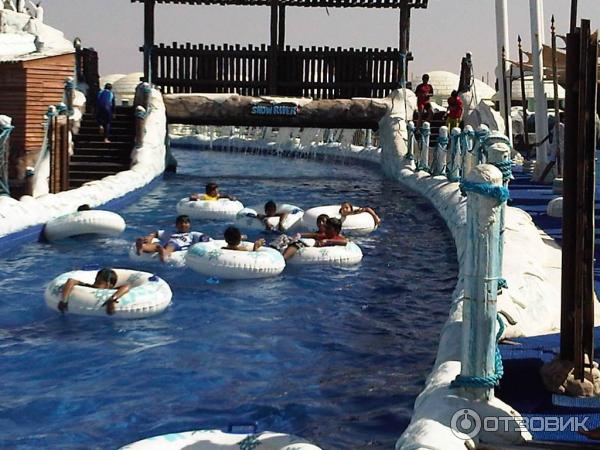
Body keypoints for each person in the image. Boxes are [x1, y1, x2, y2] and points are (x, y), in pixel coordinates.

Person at [135, 215, 210, 262]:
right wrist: (150, 237)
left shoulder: (192, 234)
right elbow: (156, 233)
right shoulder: (170, 232)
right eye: (180, 223)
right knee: (156, 245)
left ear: (190, 225)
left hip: (178, 247)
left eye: (186, 223)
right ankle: (142, 248)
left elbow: (205, 238)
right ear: (176, 225)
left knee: (171, 244)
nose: (183, 225)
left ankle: (165, 254)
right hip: (164, 245)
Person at [270, 216, 348, 261]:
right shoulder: (325, 234)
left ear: (336, 230)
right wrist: (300, 235)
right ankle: (272, 250)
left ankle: (283, 259)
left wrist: (328, 241)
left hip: (311, 247)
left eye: (328, 228)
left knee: (298, 244)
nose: (326, 229)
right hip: (312, 243)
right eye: (326, 227)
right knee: (285, 238)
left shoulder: (337, 237)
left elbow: (345, 242)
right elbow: (314, 235)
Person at [58, 268, 129, 315]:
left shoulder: (87, 287)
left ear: (96, 278)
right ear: (109, 284)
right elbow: (127, 286)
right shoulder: (111, 291)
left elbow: (71, 281)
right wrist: (113, 299)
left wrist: (64, 301)